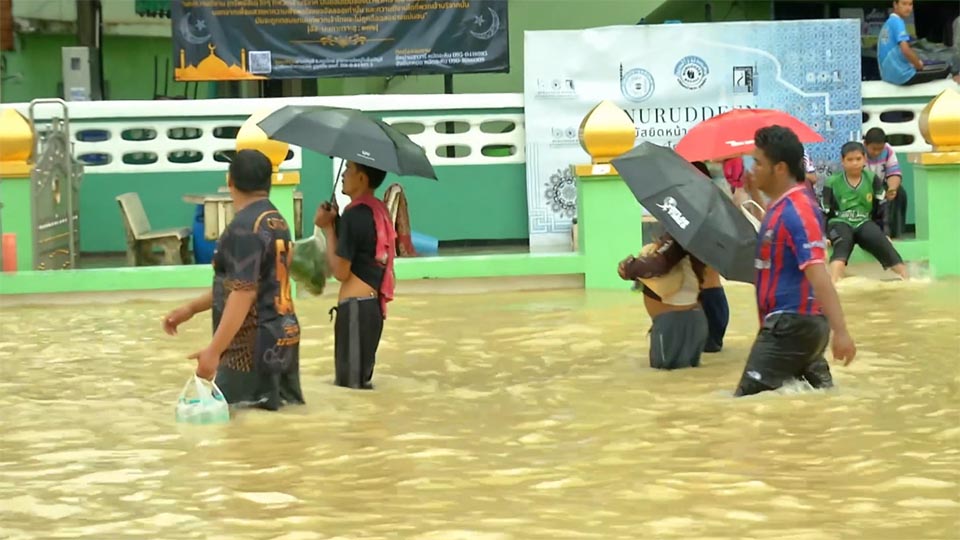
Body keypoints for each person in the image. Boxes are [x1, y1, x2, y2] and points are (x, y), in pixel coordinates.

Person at [163, 149, 304, 410]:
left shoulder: (244, 227)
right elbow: (241, 284)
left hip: (249, 348)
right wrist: (191, 308)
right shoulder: (276, 220)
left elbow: (243, 292)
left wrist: (214, 351)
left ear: (230, 181)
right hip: (284, 335)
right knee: (279, 419)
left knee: (241, 426)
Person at [734, 126, 856, 397]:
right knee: (816, 403)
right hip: (797, 326)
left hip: (791, 326)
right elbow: (776, 235)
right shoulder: (781, 206)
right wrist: (754, 194)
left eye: (758, 163)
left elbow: (819, 275)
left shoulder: (798, 211)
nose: (752, 169)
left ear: (779, 168)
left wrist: (842, 332)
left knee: (744, 405)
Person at [314, 161, 397, 390]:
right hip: (370, 310)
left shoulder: (355, 215)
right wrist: (335, 220)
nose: (343, 174)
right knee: (359, 387)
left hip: (356, 313)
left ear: (362, 178)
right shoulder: (375, 210)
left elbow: (341, 271)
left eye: (349, 168)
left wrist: (329, 229)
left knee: (349, 389)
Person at [618, 234, 710, 370]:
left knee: (664, 378)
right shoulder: (699, 241)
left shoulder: (680, 235)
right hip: (694, 319)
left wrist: (628, 267)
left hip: (673, 324)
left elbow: (658, 264)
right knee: (686, 378)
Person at [822, 142, 909, 282]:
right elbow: (824, 211)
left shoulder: (873, 179)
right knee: (842, 244)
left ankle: (907, 279)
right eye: (850, 160)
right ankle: (833, 283)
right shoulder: (831, 182)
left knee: (882, 243)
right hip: (839, 223)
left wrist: (886, 232)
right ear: (842, 161)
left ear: (864, 159)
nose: (854, 163)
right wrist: (824, 235)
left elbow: (883, 206)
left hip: (864, 222)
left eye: (858, 159)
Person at [877, 0, 958, 85]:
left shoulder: (888, 23)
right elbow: (905, 49)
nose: (908, 8)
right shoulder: (898, 22)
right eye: (904, 4)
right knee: (946, 68)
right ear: (895, 4)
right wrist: (918, 64)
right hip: (901, 75)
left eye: (910, 4)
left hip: (888, 75)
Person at [863, 127, 907, 237]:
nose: (877, 152)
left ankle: (895, 233)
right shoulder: (858, 151)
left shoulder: (888, 150)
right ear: (865, 144)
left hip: (881, 184)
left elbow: (894, 173)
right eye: (873, 149)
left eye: (880, 149)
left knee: (900, 193)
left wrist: (892, 188)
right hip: (862, 186)